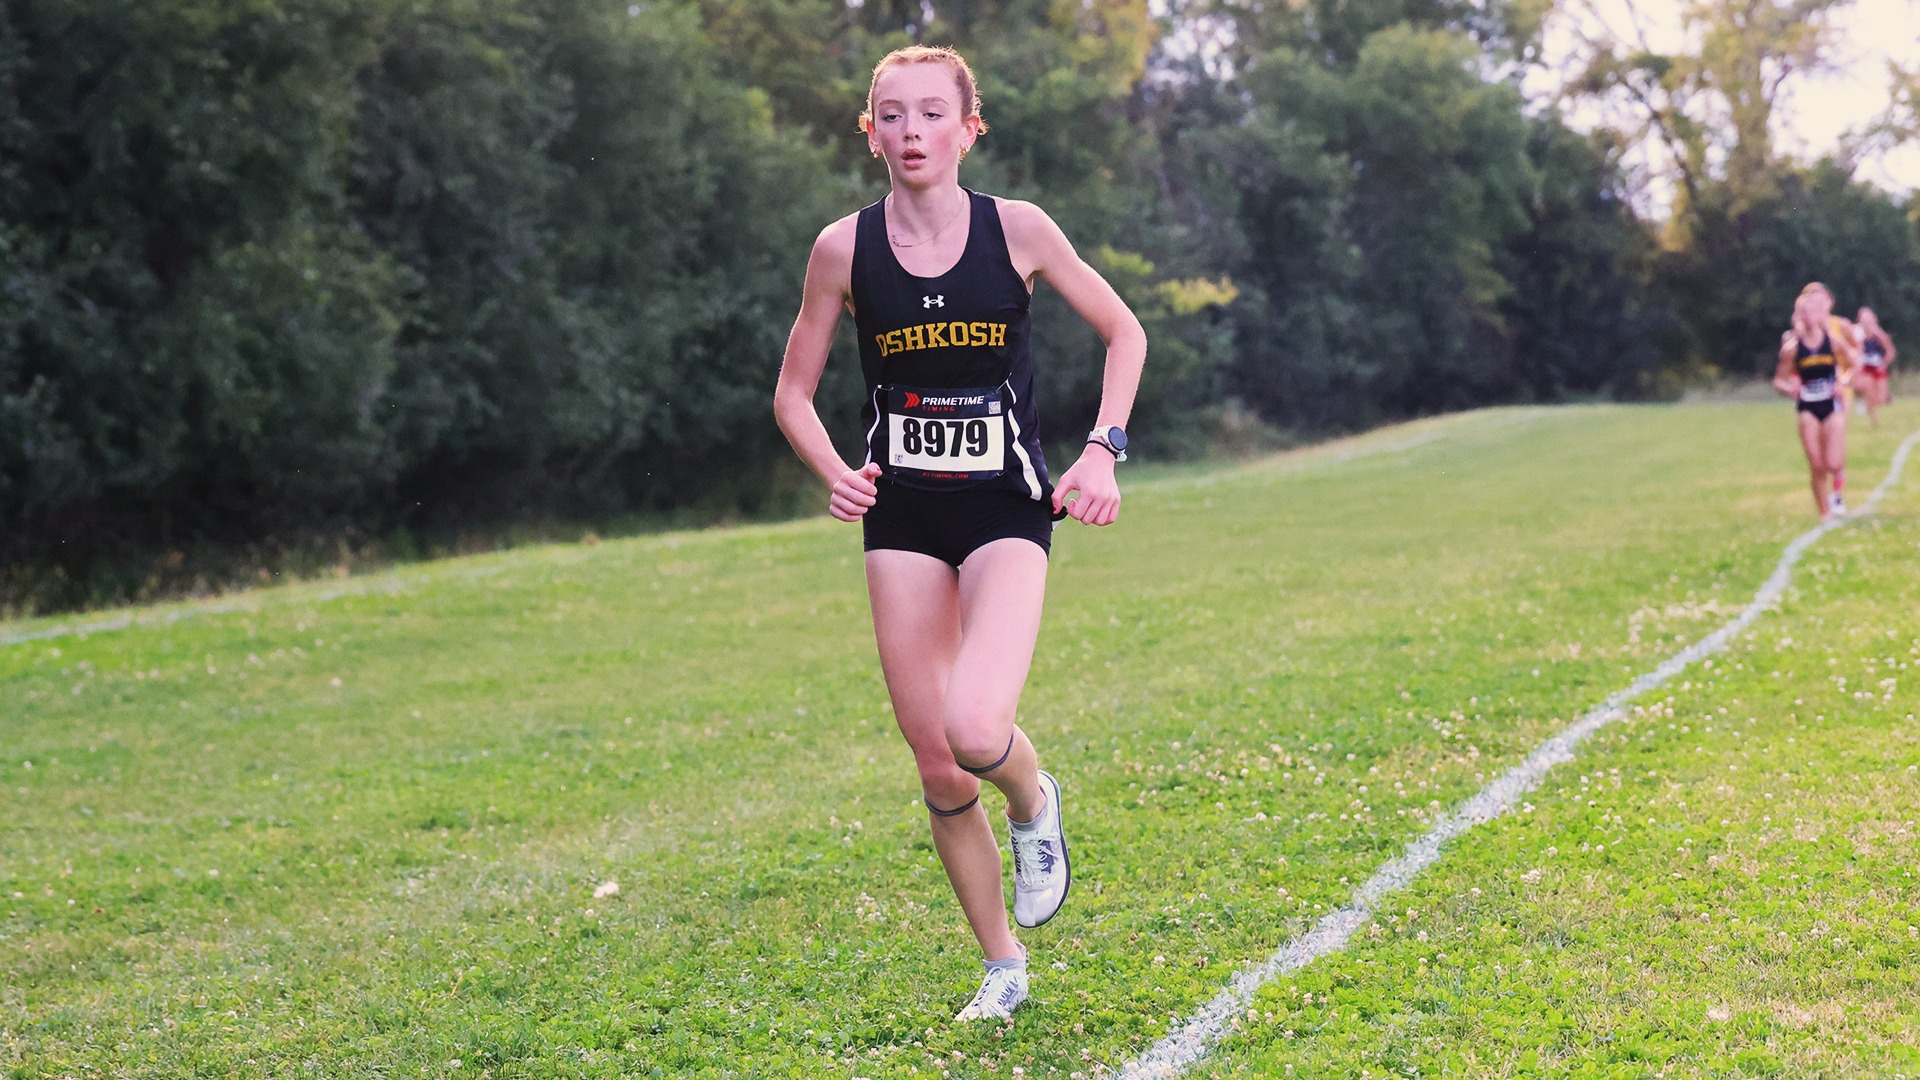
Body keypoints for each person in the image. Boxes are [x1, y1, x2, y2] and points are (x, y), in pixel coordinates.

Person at [772, 45, 1146, 1022]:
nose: (912, 132)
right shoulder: (842, 250)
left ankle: (1032, 801)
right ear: (871, 133)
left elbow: (1126, 332)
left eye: (933, 113)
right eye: (892, 115)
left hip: (1005, 508)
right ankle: (1002, 966)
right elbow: (793, 393)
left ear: (968, 129)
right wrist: (835, 471)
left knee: (977, 731)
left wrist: (1101, 450)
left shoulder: (1018, 229)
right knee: (936, 761)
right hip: (901, 517)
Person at [1774, 283, 1857, 521]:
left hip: (1831, 406)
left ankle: (1836, 492)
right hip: (1807, 408)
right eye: (1805, 310)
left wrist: (1842, 382)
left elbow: (1853, 365)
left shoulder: (1833, 342)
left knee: (1833, 463)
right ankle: (1824, 513)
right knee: (1817, 465)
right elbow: (1778, 381)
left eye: (1813, 310)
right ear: (1799, 315)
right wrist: (1791, 389)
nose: (1809, 314)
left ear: (1822, 313)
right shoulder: (1792, 348)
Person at [1854, 306, 1896, 426]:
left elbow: (1890, 351)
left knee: (1880, 400)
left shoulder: (1879, 334)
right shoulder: (1856, 333)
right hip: (1863, 367)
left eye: (1868, 320)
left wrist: (1884, 363)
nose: (1866, 323)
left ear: (1874, 319)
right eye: (1863, 320)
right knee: (1863, 386)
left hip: (1877, 367)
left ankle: (1883, 397)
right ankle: (1872, 418)